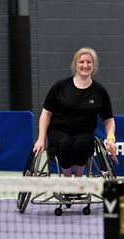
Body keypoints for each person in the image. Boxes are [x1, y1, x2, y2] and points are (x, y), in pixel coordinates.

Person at [33, 47, 118, 177]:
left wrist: (111, 138)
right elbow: (46, 114)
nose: (85, 65)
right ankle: (67, 180)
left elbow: (109, 120)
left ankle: (79, 180)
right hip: (59, 131)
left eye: (89, 62)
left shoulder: (100, 91)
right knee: (64, 144)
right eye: (81, 62)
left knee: (81, 144)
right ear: (75, 64)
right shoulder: (60, 86)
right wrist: (41, 138)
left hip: (84, 132)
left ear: (93, 65)